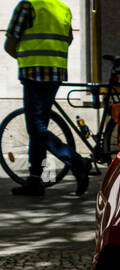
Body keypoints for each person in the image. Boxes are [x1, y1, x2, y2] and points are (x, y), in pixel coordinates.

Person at [4, 0, 89, 196]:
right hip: (56, 73)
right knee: (39, 124)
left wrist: (27, 59)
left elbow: (10, 43)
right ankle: (35, 179)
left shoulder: (27, 6)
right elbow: (68, 39)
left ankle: (76, 161)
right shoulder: (63, 8)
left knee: (35, 126)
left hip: (34, 73)